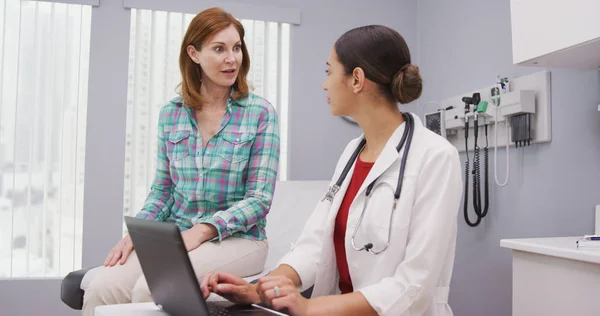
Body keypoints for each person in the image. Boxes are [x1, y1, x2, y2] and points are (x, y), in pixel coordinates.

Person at [201, 25, 462, 316]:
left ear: (357, 80)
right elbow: (314, 245)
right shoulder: (352, 153)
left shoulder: (436, 157)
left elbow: (415, 286)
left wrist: (311, 307)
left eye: (329, 72)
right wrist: (260, 289)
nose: (325, 85)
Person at [82, 7, 280, 316]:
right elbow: (163, 190)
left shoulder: (260, 113)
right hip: (179, 238)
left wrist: (203, 230)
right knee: (101, 287)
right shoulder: (171, 114)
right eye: (219, 48)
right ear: (194, 53)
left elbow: (259, 199)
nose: (232, 58)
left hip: (240, 240)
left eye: (237, 47)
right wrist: (137, 234)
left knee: (152, 288)